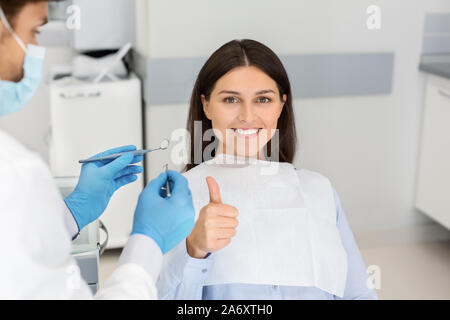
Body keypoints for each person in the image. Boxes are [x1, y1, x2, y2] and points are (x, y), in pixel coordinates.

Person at [0, 0, 195, 299]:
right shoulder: (14, 174)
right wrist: (147, 243)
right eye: (35, 30)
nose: (36, 47)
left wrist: (71, 213)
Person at [156, 39, 379, 300]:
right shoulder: (177, 196)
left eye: (263, 99)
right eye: (230, 99)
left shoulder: (318, 190)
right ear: (206, 105)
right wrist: (193, 250)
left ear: (281, 105)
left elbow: (358, 293)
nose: (247, 116)